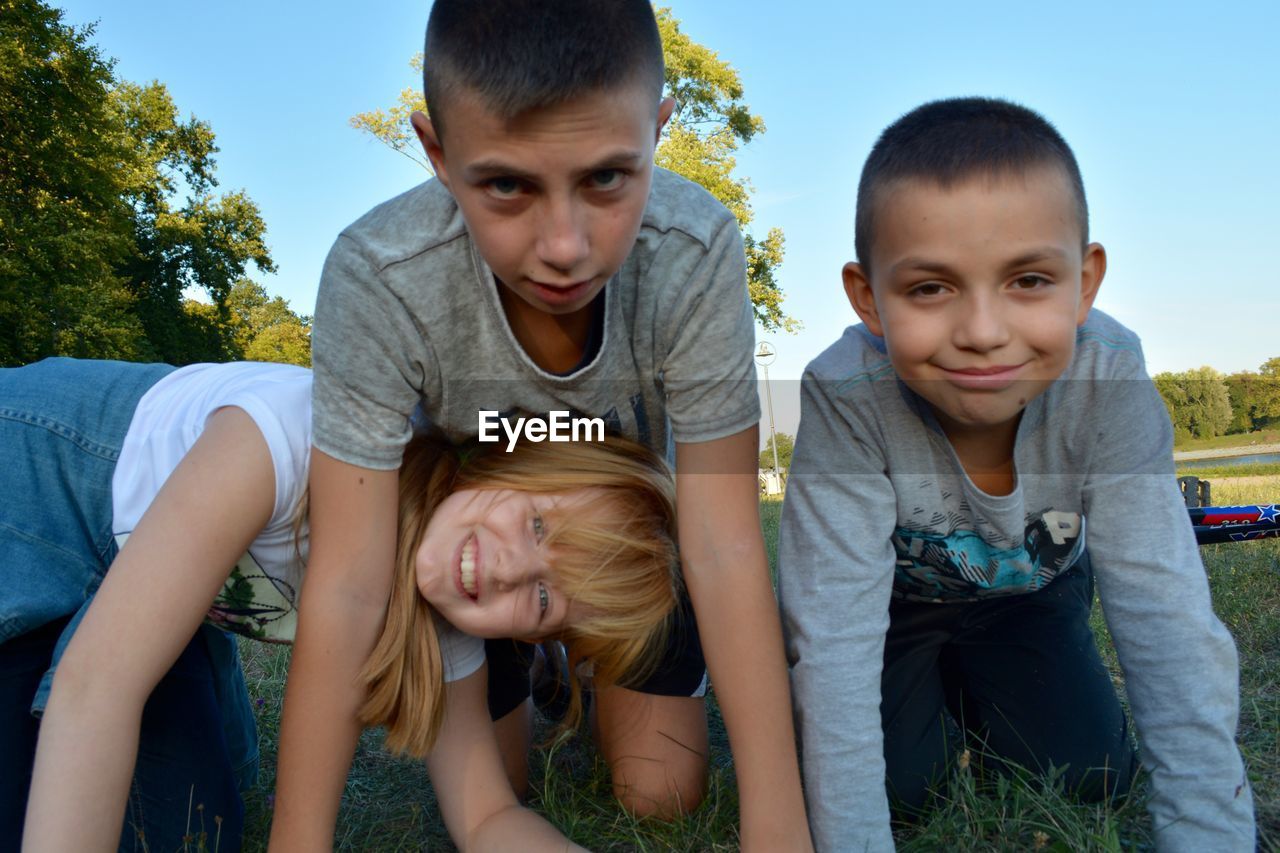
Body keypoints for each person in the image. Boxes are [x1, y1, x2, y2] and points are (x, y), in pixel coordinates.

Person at [275, 0, 811, 849]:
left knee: (661, 789)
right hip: (487, 559)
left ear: (658, 130)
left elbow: (724, 541)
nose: (564, 246)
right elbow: (347, 581)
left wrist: (779, 831)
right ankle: (544, 662)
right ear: (438, 154)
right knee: (503, 786)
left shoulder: (694, 249)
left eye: (606, 178)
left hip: (615, 551)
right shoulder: (380, 274)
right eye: (507, 186)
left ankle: (592, 660)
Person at [778, 97, 1255, 851]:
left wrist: (1210, 831)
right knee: (901, 787)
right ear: (868, 297)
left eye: (1029, 280)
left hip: (1030, 592)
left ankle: (987, 678)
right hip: (899, 605)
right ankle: (936, 683)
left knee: (1092, 771)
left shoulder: (1111, 374)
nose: (982, 332)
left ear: (1084, 282)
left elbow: (1168, 617)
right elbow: (834, 638)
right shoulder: (844, 393)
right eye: (930, 288)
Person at [1, 357, 681, 852]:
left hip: (147, 595)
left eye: (541, 598)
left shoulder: (441, 615)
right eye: (538, 525)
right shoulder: (294, 436)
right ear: (508, 464)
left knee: (187, 833)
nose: (507, 569)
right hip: (37, 479)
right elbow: (98, 688)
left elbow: (484, 815)